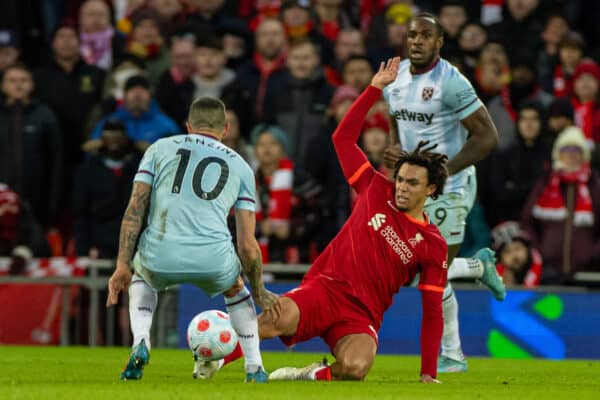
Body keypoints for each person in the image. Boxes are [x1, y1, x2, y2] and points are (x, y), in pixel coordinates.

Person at [214, 57, 449, 383]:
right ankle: (212, 363)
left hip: (362, 314)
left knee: (355, 369)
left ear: (431, 189)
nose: (402, 188)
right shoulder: (374, 187)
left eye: (412, 183)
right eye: (401, 179)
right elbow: (342, 139)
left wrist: (428, 373)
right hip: (324, 289)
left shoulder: (434, 245)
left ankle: (308, 375)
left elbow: (433, 311)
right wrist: (373, 90)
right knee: (271, 321)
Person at [105, 97, 279, 382]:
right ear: (226, 128)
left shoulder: (159, 148)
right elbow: (247, 244)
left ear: (188, 126)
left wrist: (123, 265)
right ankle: (254, 367)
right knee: (236, 289)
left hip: (161, 250)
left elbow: (134, 210)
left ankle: (141, 342)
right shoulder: (242, 167)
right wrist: (258, 289)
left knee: (142, 277)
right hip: (213, 256)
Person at [382, 14, 505, 373]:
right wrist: (395, 149)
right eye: (412, 35)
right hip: (416, 187)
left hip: (450, 187)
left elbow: (487, 137)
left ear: (439, 42)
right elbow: (395, 115)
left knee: (431, 269)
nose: (416, 41)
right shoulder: (398, 75)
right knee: (418, 270)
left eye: (425, 36)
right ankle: (478, 265)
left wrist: (442, 171)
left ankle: (453, 355)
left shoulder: (452, 82)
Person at [521, 126, 600, 284]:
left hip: (587, 271)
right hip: (548, 271)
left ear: (583, 155)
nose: (571, 154)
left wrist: (594, 252)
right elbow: (527, 220)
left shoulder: (594, 184)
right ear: (559, 154)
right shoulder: (546, 182)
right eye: (566, 149)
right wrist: (539, 250)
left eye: (576, 150)